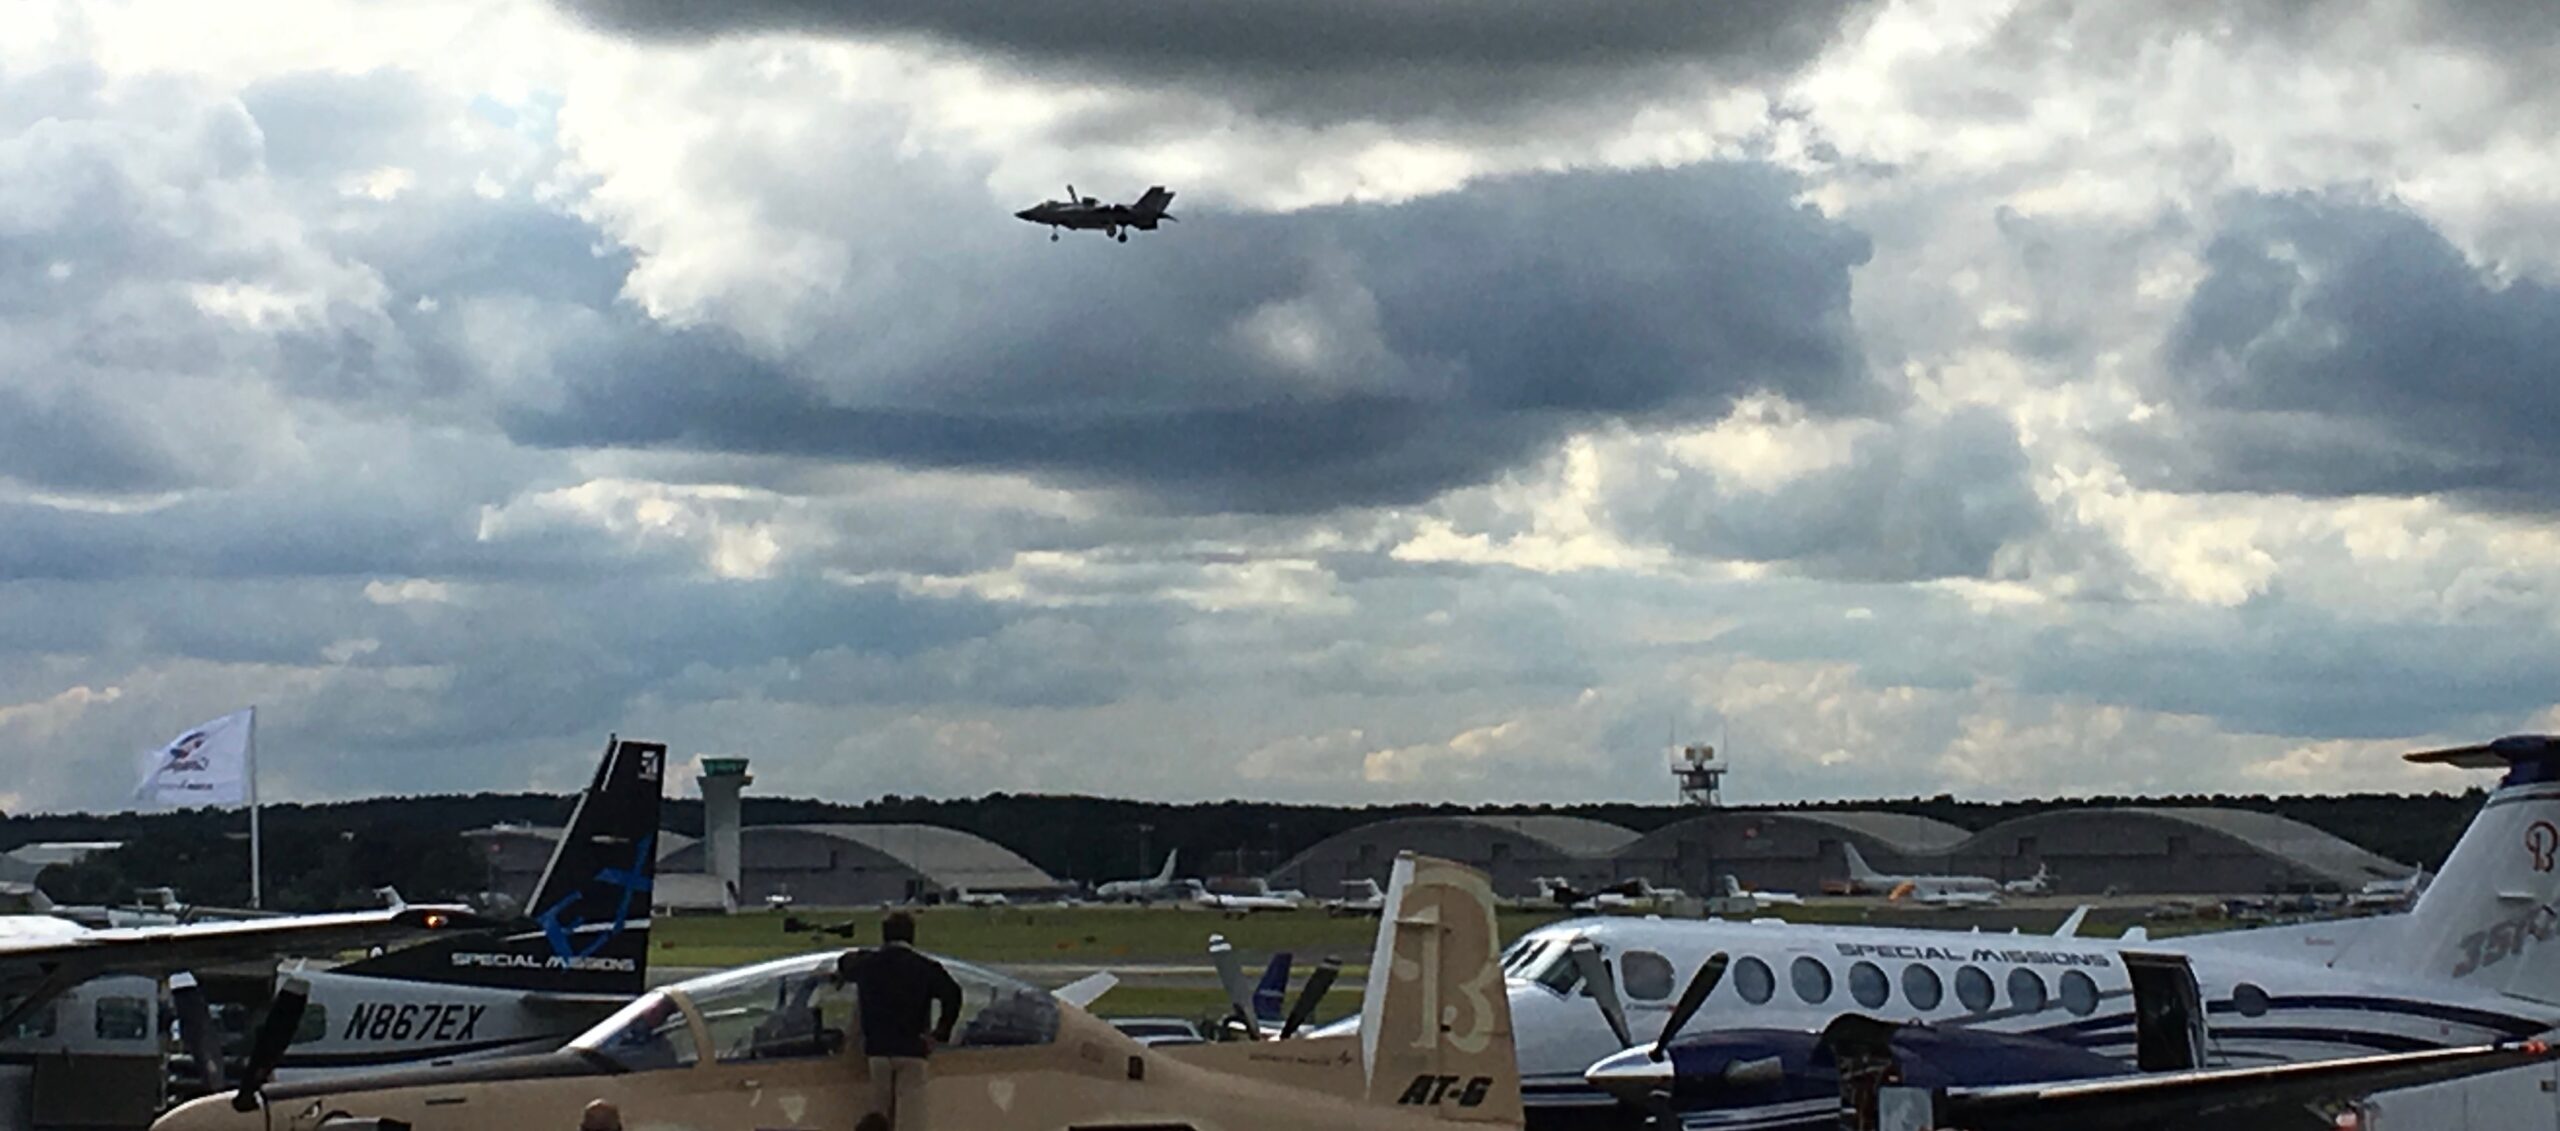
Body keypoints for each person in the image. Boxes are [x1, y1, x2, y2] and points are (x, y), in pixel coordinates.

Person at [837, 912, 963, 1131]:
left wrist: (862, 953)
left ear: (884, 935)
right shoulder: (925, 967)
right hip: (913, 1049)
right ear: (911, 936)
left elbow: (846, 965)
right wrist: (939, 1033)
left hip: (878, 1050)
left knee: (878, 1116)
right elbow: (953, 995)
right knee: (910, 1119)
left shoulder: (869, 965)